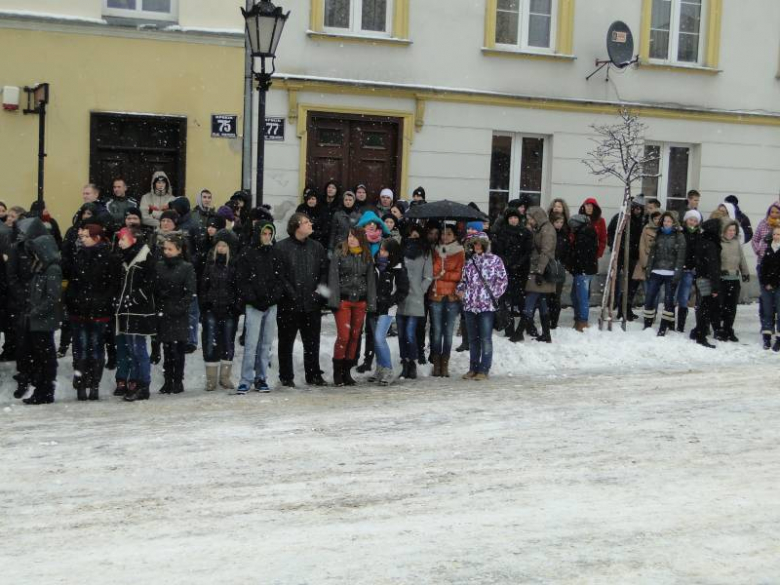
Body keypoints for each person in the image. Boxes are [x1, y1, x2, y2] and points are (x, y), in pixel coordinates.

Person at [276, 213, 329, 387]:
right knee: (286, 342)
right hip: (289, 305)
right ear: (296, 226)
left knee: (312, 342)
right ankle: (286, 377)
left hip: (312, 304)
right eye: (306, 222)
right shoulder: (282, 248)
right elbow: (280, 276)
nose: (310, 224)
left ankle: (313, 374)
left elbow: (323, 272)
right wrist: (291, 293)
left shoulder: (317, 247)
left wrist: (318, 293)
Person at [66, 222, 118, 401]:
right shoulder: (78, 255)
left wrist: (101, 302)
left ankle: (94, 384)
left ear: (96, 238)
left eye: (86, 236)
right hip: (78, 310)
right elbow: (73, 282)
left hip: (99, 311)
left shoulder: (108, 257)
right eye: (82, 237)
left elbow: (112, 285)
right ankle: (81, 383)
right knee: (80, 349)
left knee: (95, 347)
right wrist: (73, 300)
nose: (82, 239)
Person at [236, 221, 285, 393]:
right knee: (251, 344)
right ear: (258, 234)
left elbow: (280, 280)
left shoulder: (276, 254)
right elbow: (242, 281)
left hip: (271, 306)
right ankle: (245, 379)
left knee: (265, 344)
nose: (266, 237)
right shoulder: (247, 254)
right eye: (263, 233)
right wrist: (255, 299)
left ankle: (261, 377)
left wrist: (272, 299)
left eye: (269, 234)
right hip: (253, 305)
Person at [18, 220, 62, 405]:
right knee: (40, 356)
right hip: (37, 320)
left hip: (43, 321)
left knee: (46, 357)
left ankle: (46, 391)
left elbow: (52, 298)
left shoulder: (52, 269)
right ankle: (41, 390)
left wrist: (34, 312)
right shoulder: (41, 268)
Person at [328, 228, 376, 386]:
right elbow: (333, 278)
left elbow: (370, 280)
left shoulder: (366, 255)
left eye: (354, 237)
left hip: (360, 301)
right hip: (343, 300)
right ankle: (337, 370)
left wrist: (371, 302)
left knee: (355, 336)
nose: (351, 239)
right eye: (349, 236)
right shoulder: (340, 253)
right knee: (344, 336)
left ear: (361, 239)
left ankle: (346, 371)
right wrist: (334, 301)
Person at [457, 231, 508, 380]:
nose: (477, 246)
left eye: (480, 244)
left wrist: (492, 295)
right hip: (470, 305)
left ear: (485, 245)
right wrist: (461, 291)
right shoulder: (469, 262)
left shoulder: (495, 260)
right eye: (475, 244)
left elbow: (502, 280)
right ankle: (473, 368)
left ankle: (484, 369)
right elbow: (463, 281)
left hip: (486, 307)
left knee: (485, 338)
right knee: (473, 339)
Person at [114, 227, 156, 402]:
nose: (119, 243)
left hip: (140, 310)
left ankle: (143, 385)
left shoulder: (145, 257)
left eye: (122, 239)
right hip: (127, 310)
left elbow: (151, 282)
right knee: (131, 349)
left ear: (132, 240)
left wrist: (136, 297)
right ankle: (135, 383)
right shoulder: (125, 258)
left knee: (139, 349)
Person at [154, 233, 196, 395]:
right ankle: (167, 380)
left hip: (178, 313)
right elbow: (156, 288)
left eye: (170, 249)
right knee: (167, 348)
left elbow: (189, 292)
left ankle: (177, 381)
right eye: (165, 249)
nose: (167, 252)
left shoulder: (186, 267)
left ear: (179, 250)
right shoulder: (159, 265)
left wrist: (179, 308)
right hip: (163, 311)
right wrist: (161, 305)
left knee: (177, 349)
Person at [199, 230, 240, 391]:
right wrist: (206, 305)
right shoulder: (209, 265)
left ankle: (225, 377)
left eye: (224, 246)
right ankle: (211, 379)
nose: (221, 248)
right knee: (210, 342)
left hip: (229, 310)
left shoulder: (234, 266)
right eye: (219, 245)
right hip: (211, 309)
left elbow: (238, 288)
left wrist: (235, 306)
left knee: (228, 343)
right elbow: (203, 287)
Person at [396, 223, 433, 380]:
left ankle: (412, 363)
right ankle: (404, 363)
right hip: (399, 297)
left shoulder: (425, 252)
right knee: (401, 335)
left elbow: (428, 276)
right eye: (411, 233)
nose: (414, 236)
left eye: (417, 233)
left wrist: (420, 290)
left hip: (416, 298)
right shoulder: (400, 250)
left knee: (410, 333)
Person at [491, 207, 532, 341]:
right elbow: (498, 251)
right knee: (506, 301)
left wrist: (518, 264)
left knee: (520, 300)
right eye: (511, 218)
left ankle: (523, 328)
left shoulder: (525, 232)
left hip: (520, 272)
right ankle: (509, 327)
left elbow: (527, 252)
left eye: (515, 218)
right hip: (506, 270)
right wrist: (506, 262)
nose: (513, 220)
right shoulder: (502, 232)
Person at [372, 238, 409, 385]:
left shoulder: (398, 269)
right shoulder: (375, 265)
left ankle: (388, 369)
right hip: (373, 306)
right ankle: (380, 368)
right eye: (381, 249)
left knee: (380, 338)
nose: (382, 253)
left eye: (385, 250)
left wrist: (390, 301)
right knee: (375, 339)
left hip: (387, 308)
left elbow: (403, 290)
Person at [643, 211, 686, 336]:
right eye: (665, 221)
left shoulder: (679, 236)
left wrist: (677, 272)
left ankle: (664, 327)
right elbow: (652, 254)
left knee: (668, 301)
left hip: (671, 272)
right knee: (650, 297)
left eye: (669, 221)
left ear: (673, 223)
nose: (666, 223)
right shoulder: (658, 234)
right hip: (656, 270)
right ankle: (647, 324)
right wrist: (649, 269)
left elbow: (680, 257)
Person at [429, 224, 464, 377]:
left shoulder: (460, 251)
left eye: (449, 234)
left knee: (448, 332)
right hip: (436, 295)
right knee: (437, 331)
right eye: (443, 233)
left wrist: (445, 274)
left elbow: (459, 274)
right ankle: (436, 364)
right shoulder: (436, 250)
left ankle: (445, 364)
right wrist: (442, 262)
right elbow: (433, 271)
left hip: (452, 296)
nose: (445, 237)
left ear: (455, 236)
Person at [522, 207, 557, 343]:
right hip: (540, 269)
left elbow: (546, 252)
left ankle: (519, 332)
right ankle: (546, 334)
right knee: (542, 302)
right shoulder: (541, 228)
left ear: (537, 217)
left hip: (542, 270)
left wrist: (539, 272)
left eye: (531, 218)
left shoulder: (547, 230)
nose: (529, 221)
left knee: (530, 300)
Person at [607, 199, 644, 321]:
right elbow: (611, 233)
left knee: (631, 283)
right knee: (615, 281)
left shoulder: (641, 220)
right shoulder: (621, 218)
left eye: (640, 208)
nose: (638, 211)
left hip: (634, 256)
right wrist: (617, 247)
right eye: (636, 208)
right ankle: (614, 306)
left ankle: (626, 307)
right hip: (620, 254)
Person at [714, 219, 749, 343]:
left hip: (734, 279)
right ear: (724, 230)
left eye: (734, 230)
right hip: (722, 279)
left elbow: (742, 258)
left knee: (732, 307)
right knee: (720, 306)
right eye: (729, 230)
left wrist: (745, 272)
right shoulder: (719, 243)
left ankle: (729, 329)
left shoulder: (736, 243)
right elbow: (715, 261)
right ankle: (719, 329)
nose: (731, 232)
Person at [691, 219, 722, 348]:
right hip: (707, 279)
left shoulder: (700, 240)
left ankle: (698, 331)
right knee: (705, 307)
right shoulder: (711, 244)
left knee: (701, 306)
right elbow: (713, 266)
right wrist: (715, 287)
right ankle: (701, 334)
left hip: (700, 277)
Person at [567, 214, 598, 331]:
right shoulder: (587, 232)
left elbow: (580, 255)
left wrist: (574, 266)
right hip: (585, 269)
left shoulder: (582, 235)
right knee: (578, 296)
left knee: (581, 297)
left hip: (583, 270)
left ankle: (582, 321)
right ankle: (580, 319)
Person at [676, 209, 703, 333]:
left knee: (684, 297)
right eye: (690, 219)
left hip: (689, 270)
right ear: (686, 220)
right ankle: (670, 322)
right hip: (677, 268)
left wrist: (693, 264)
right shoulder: (680, 233)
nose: (692, 222)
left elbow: (698, 253)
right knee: (671, 296)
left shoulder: (699, 235)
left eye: (695, 220)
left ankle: (680, 324)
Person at [548, 212, 570, 329]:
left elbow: (567, 251)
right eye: (557, 222)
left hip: (559, 268)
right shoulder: (549, 234)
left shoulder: (564, 235)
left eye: (561, 222)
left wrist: (564, 264)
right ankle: (548, 319)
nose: (559, 225)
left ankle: (554, 321)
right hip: (549, 267)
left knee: (556, 296)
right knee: (548, 296)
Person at [759, 227, 780, 351]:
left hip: (778, 285)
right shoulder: (768, 249)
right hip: (767, 287)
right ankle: (767, 337)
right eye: (775, 234)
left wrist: (775, 282)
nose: (776, 236)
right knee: (767, 311)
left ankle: (779, 339)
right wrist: (766, 282)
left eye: (779, 234)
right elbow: (763, 268)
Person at [633, 211, 662, 291]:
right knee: (647, 289)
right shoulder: (646, 228)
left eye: (659, 218)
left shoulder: (665, 230)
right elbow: (641, 245)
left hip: (659, 264)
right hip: (646, 261)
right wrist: (644, 262)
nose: (657, 220)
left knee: (657, 290)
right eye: (655, 218)